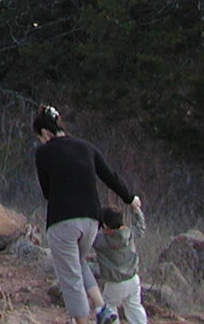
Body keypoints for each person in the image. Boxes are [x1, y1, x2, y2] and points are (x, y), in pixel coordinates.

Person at [33, 104, 142, 324]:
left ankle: (83, 321)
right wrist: (130, 199)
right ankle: (102, 308)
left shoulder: (43, 152)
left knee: (70, 279)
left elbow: (47, 193)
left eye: (40, 137)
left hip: (62, 221)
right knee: (78, 262)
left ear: (45, 133)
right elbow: (110, 176)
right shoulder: (86, 147)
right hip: (92, 220)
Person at [94, 203, 149, 324]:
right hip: (133, 279)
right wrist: (136, 210)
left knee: (108, 309)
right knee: (134, 307)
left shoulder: (100, 241)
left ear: (104, 225)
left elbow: (87, 238)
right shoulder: (129, 234)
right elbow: (140, 227)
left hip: (114, 283)